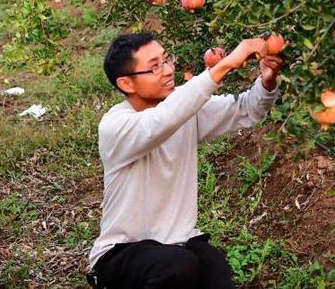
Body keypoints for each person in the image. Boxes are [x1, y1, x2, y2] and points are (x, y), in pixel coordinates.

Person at [86, 32, 282, 288]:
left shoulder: (182, 107)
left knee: (214, 267)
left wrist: (267, 82)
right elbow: (162, 120)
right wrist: (226, 64)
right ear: (126, 84)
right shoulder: (116, 127)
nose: (167, 70)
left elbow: (245, 109)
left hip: (178, 244)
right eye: (154, 67)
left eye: (166, 59)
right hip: (121, 254)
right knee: (176, 266)